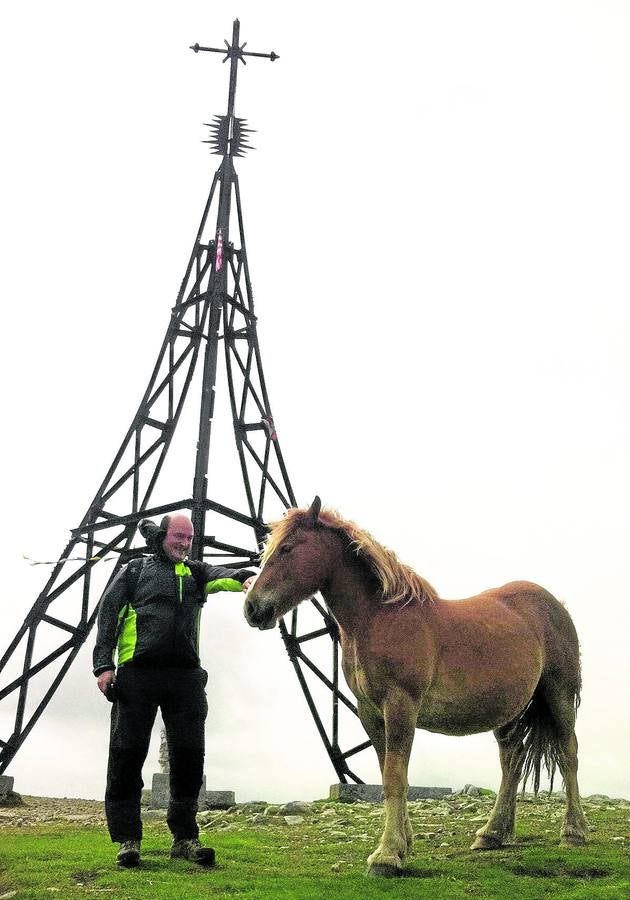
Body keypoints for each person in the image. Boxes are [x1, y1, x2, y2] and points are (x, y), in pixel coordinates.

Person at [93, 513, 256, 868]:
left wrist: (246, 579)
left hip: (185, 676)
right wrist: (103, 665)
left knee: (190, 757)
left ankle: (184, 837)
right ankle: (128, 839)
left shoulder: (195, 573)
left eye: (189, 538)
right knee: (126, 754)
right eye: (178, 537)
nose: (184, 543)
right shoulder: (135, 571)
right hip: (137, 672)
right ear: (164, 536)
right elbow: (108, 613)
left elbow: (222, 576)